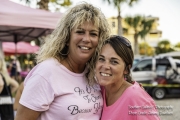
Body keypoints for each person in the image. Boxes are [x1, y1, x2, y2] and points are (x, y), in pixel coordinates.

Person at [15, 2, 111, 120]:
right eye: (80, 32)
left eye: (93, 34)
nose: (86, 39)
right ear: (67, 38)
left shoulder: (94, 74)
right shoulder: (47, 72)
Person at [94, 35, 160, 120]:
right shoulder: (100, 89)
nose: (105, 66)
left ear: (126, 69)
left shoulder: (136, 97)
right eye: (101, 59)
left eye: (114, 62)